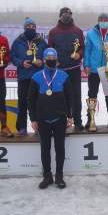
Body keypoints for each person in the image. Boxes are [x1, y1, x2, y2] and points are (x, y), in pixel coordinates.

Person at [28, 48, 73, 189]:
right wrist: (33, 119)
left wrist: (70, 116)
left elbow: (70, 98)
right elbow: (30, 100)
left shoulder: (64, 75)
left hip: (60, 118)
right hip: (42, 119)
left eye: (53, 56)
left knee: (60, 148)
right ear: (44, 58)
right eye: (48, 57)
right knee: (45, 149)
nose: (51, 59)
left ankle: (59, 176)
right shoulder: (36, 76)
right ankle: (47, 176)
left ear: (57, 58)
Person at [83, 13, 108, 128]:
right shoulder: (91, 34)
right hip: (94, 70)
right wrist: (86, 65)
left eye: (106, 20)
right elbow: (87, 51)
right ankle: (90, 119)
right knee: (92, 94)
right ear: (98, 21)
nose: (103, 21)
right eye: (101, 20)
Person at [48, 7, 85, 130]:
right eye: (64, 14)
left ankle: (78, 121)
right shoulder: (53, 32)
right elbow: (50, 49)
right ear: (60, 16)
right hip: (59, 71)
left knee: (76, 96)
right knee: (60, 97)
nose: (66, 16)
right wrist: (54, 60)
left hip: (74, 69)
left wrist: (79, 54)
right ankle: (61, 122)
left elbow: (82, 47)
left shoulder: (78, 31)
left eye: (68, 14)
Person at [11, 17, 47, 136]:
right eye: (28, 26)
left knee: (38, 102)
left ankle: (39, 127)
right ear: (24, 27)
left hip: (37, 77)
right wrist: (21, 63)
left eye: (33, 27)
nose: (31, 28)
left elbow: (48, 54)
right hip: (24, 77)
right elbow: (13, 57)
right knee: (22, 103)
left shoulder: (41, 41)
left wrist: (42, 61)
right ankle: (21, 127)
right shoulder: (18, 41)